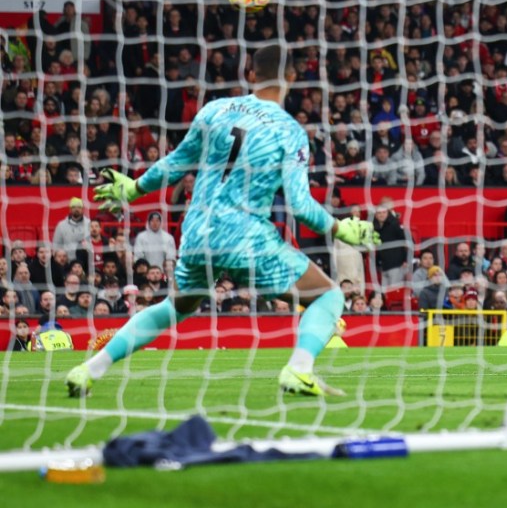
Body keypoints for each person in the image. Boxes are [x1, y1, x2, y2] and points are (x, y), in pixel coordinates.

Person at [66, 45, 379, 398]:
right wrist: (340, 228)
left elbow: (175, 162)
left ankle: (88, 369)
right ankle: (299, 369)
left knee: (173, 308)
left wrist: (135, 188)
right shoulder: (288, 130)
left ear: (250, 75)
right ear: (292, 78)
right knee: (328, 296)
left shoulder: (215, 110)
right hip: (247, 237)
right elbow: (301, 205)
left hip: (197, 234)